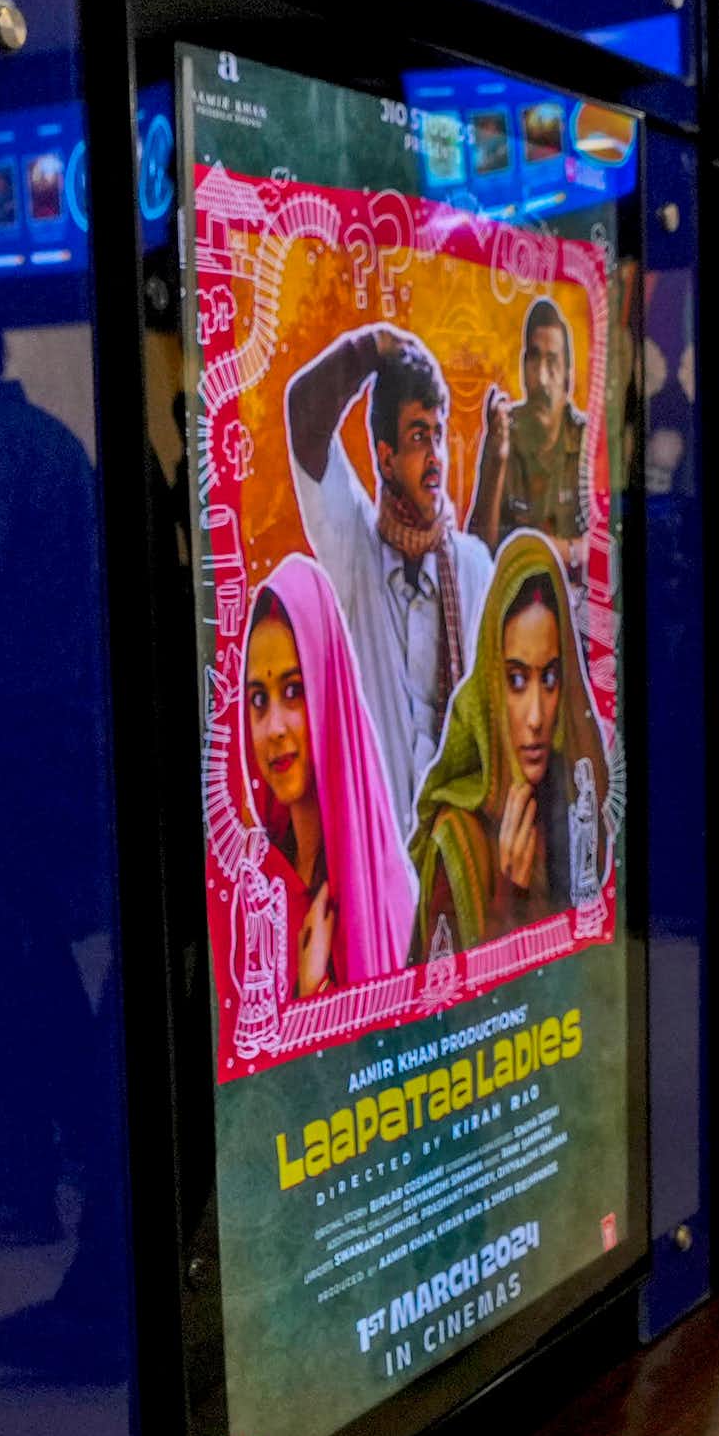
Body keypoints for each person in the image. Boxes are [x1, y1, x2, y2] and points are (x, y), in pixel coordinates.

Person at [287, 319, 490, 843]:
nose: (435, 457)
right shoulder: (354, 548)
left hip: (458, 864)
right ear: (386, 457)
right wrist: (371, 347)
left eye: (439, 435)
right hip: (378, 868)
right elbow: (304, 416)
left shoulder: (472, 568)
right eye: (419, 437)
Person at [405, 531, 612, 955]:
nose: (536, 717)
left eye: (549, 678)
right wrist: (508, 897)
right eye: (516, 681)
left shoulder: (571, 796)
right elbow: (448, 1010)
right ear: (491, 688)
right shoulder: (457, 842)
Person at [238, 555, 417, 1001]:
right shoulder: (259, 882)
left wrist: (314, 987)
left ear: (329, 694)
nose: (274, 726)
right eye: (258, 699)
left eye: (294, 691)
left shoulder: (385, 890)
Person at [474, 294, 589, 582]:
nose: (542, 377)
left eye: (552, 363)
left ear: (568, 378)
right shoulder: (505, 433)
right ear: (524, 366)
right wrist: (496, 460)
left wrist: (539, 551)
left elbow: (605, 544)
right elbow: (476, 551)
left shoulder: (586, 438)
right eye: (534, 360)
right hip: (513, 600)